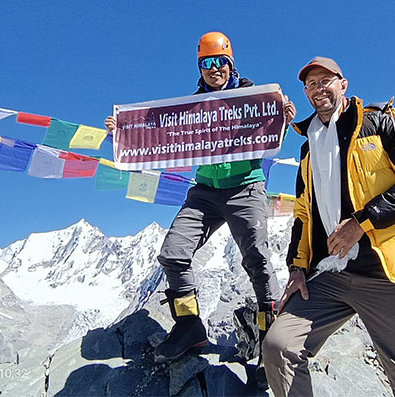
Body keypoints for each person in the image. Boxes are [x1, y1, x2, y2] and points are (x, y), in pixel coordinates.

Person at [105, 32, 296, 375]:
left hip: (245, 186)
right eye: (206, 63)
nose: (213, 68)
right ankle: (190, 326)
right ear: (200, 68)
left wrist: (281, 113)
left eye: (219, 61)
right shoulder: (190, 109)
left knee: (257, 258)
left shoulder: (254, 99)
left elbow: (274, 132)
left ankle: (271, 334)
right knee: (173, 253)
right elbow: (155, 133)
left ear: (230, 64)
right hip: (205, 190)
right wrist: (124, 133)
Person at [261, 57, 395, 397]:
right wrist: (297, 269)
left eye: (326, 80)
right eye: (311, 84)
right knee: (279, 347)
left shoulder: (379, 125)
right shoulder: (308, 148)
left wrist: (361, 223)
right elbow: (303, 213)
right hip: (332, 274)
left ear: (343, 84)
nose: (318, 88)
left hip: (385, 274)